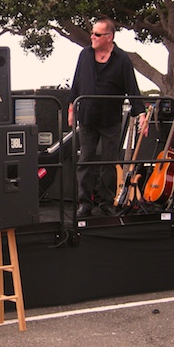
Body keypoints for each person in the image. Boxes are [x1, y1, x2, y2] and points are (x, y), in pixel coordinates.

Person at [68, 17, 144, 217]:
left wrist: (141, 113)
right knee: (86, 159)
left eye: (97, 34)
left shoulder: (122, 59)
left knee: (109, 162)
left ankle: (105, 202)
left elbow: (132, 88)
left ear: (109, 37)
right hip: (87, 116)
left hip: (110, 117)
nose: (92, 37)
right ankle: (84, 203)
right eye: (92, 33)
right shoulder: (84, 55)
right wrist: (71, 108)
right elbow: (76, 83)